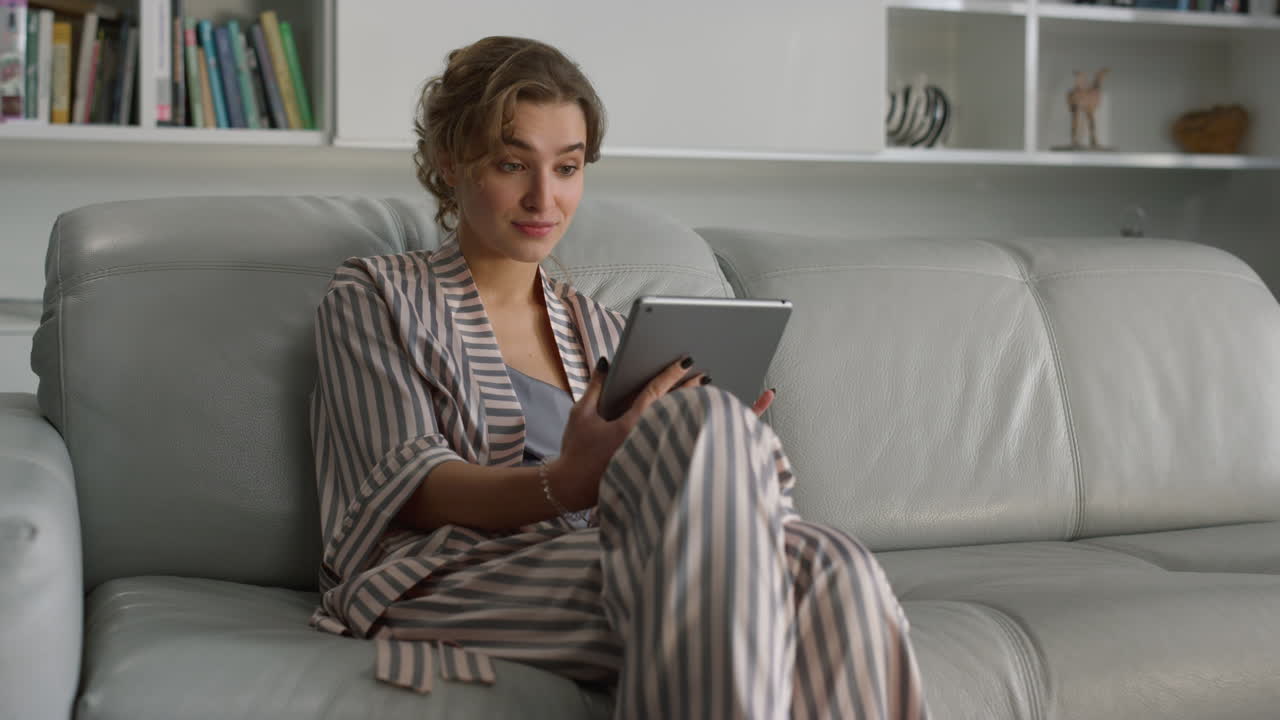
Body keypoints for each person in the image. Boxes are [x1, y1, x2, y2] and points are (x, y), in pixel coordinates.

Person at [308, 35, 929, 719]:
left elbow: (640, 505)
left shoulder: (605, 332)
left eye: (568, 167)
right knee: (747, 531)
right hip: (446, 576)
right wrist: (569, 481)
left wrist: (710, 465)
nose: (545, 197)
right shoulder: (375, 295)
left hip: (615, 554)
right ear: (450, 162)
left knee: (829, 563)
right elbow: (410, 489)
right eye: (513, 164)